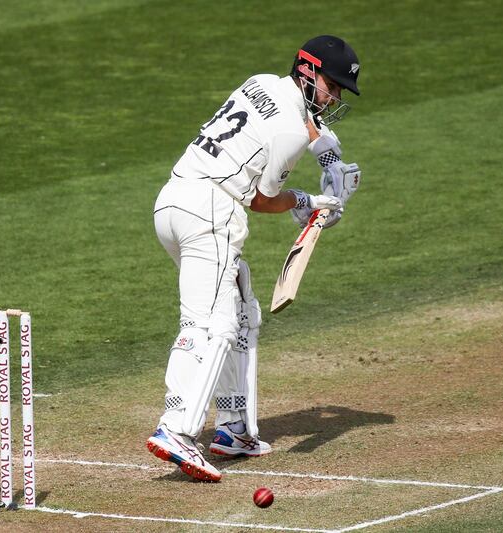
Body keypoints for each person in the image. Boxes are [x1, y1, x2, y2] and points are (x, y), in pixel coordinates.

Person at [146, 35, 363, 481]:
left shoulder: (261, 82)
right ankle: (176, 429)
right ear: (308, 72)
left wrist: (331, 156)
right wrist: (308, 200)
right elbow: (263, 200)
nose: (335, 96)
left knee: (242, 312)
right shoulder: (289, 129)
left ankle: (234, 428)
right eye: (333, 86)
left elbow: (304, 126)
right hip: (212, 212)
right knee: (211, 324)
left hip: (171, 202)